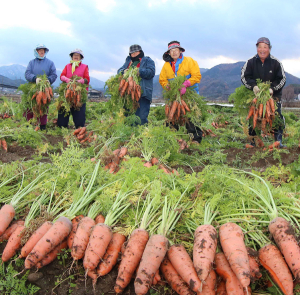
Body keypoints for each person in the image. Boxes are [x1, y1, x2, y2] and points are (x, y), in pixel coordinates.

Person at [241, 37, 286, 148]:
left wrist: (272, 89)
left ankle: (278, 141)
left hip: (273, 96)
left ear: (269, 49)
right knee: (253, 117)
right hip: (255, 96)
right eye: (260, 47)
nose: (262, 50)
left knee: (277, 116)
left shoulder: (276, 63)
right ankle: (254, 141)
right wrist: (254, 87)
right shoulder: (250, 62)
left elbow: (282, 79)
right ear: (257, 48)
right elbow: (244, 77)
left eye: (265, 47)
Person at [159, 41, 203, 143]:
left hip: (189, 94)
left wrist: (186, 84)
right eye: (172, 50)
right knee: (172, 115)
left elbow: (197, 76)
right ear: (169, 53)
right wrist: (168, 87)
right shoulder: (166, 65)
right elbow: (162, 80)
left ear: (180, 51)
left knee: (191, 116)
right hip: (174, 96)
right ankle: (172, 138)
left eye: (176, 50)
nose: (174, 52)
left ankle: (195, 139)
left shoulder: (189, 61)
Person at [118, 45, 155, 125]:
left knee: (141, 118)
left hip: (143, 94)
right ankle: (130, 135)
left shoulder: (148, 60)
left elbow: (151, 72)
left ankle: (142, 136)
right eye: (132, 53)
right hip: (129, 94)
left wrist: (139, 71)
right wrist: (123, 71)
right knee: (128, 117)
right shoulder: (128, 62)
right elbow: (119, 70)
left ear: (140, 52)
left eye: (136, 52)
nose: (134, 54)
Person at [25, 44, 57, 130]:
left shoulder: (50, 63)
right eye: (39, 50)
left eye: (43, 50)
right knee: (30, 105)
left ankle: (42, 125)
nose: (41, 51)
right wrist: (34, 78)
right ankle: (28, 124)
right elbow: (27, 74)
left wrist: (49, 80)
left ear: (45, 51)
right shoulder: (32, 62)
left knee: (43, 106)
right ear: (37, 51)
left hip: (44, 89)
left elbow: (54, 74)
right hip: (33, 87)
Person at [57, 49, 90, 129]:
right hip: (67, 93)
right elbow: (62, 76)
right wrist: (66, 79)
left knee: (79, 113)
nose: (76, 56)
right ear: (72, 57)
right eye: (74, 55)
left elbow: (87, 79)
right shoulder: (67, 66)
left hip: (79, 93)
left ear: (80, 57)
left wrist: (81, 81)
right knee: (63, 110)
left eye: (78, 55)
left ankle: (79, 128)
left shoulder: (84, 67)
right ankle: (62, 127)